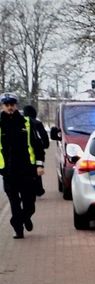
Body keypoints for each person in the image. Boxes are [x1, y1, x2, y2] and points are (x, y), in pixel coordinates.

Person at [0, 92, 45, 238]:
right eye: (7, 105)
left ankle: (24, 217)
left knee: (29, 204)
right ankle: (18, 230)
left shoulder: (26, 122)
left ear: (16, 105)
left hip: (27, 170)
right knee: (14, 203)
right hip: (8, 171)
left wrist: (39, 165)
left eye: (12, 104)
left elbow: (37, 145)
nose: (10, 107)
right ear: (2, 106)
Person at [23, 104, 49, 196]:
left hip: (25, 153)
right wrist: (45, 145)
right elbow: (44, 137)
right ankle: (38, 189)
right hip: (37, 151)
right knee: (37, 170)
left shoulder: (22, 124)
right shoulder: (38, 123)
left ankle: (31, 190)